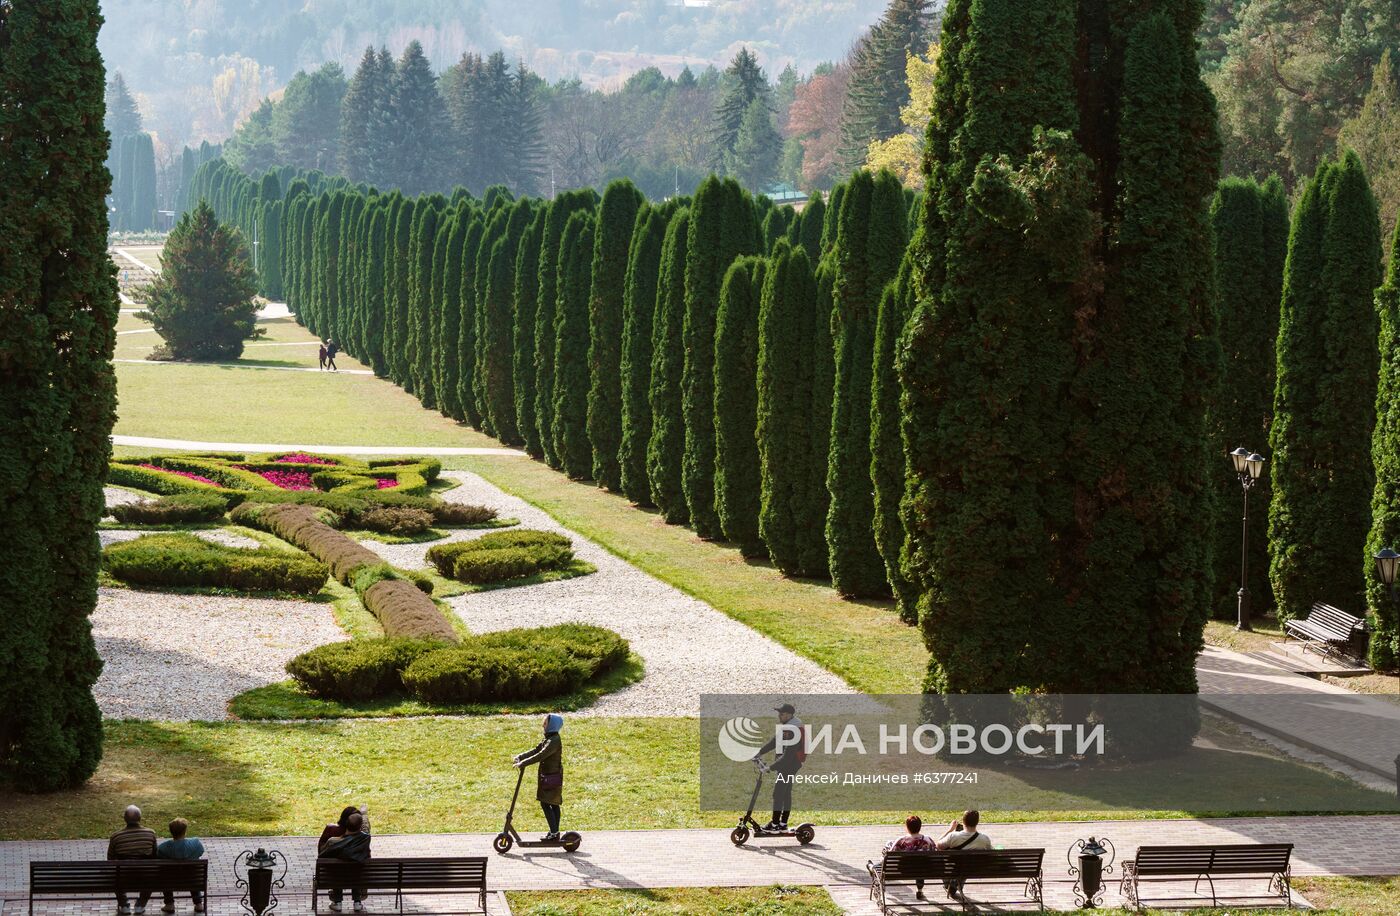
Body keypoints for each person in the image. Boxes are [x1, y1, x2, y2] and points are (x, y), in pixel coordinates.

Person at [753, 703, 806, 832]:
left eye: (781, 714)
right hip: (789, 764)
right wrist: (759, 752)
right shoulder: (789, 727)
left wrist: (770, 768)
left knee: (778, 794)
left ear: (789, 715)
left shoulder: (793, 731)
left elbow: (787, 756)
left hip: (789, 765)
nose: (779, 716)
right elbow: (775, 742)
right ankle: (782, 824)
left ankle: (776, 824)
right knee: (785, 794)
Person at [513, 713, 565, 841]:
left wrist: (523, 763)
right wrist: (521, 756)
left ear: (552, 725)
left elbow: (541, 755)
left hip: (551, 777)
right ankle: (555, 832)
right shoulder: (549, 738)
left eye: (545, 723)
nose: (543, 725)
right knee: (552, 803)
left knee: (548, 803)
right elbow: (536, 750)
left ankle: (554, 833)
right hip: (548, 776)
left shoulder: (554, 741)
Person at [107, 805, 157, 914]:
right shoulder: (150, 833)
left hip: (123, 876)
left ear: (125, 819)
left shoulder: (116, 836)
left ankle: (124, 904)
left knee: (115, 874)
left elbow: (110, 859)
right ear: (140, 818)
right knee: (151, 874)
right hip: (145, 876)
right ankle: (140, 905)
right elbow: (154, 856)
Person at [319, 811, 371, 912]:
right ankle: (357, 902)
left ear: (345, 824)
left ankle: (337, 902)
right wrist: (364, 814)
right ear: (360, 826)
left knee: (336, 870)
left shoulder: (332, 841)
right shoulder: (366, 839)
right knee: (356, 870)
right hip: (358, 877)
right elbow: (366, 829)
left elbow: (322, 856)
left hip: (337, 877)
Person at [935, 809, 993, 899]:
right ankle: (956, 883)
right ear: (977, 822)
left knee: (942, 855)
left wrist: (950, 830)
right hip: (974, 870)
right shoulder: (984, 839)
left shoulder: (953, 836)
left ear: (963, 821)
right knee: (967, 863)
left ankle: (949, 883)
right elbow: (991, 853)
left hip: (956, 866)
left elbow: (938, 846)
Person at [156, 818, 205, 914]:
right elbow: (201, 851)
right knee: (192, 872)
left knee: (165, 872)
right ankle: (198, 903)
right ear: (185, 831)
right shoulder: (195, 844)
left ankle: (169, 904)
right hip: (193, 880)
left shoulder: (163, 848)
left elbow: (158, 855)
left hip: (171, 881)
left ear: (171, 832)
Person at [883, 815, 936, 900]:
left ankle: (872, 868)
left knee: (887, 848)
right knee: (920, 863)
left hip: (904, 870)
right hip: (924, 870)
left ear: (907, 827)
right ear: (920, 826)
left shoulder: (901, 840)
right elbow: (934, 852)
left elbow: (890, 855)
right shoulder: (927, 840)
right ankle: (920, 890)